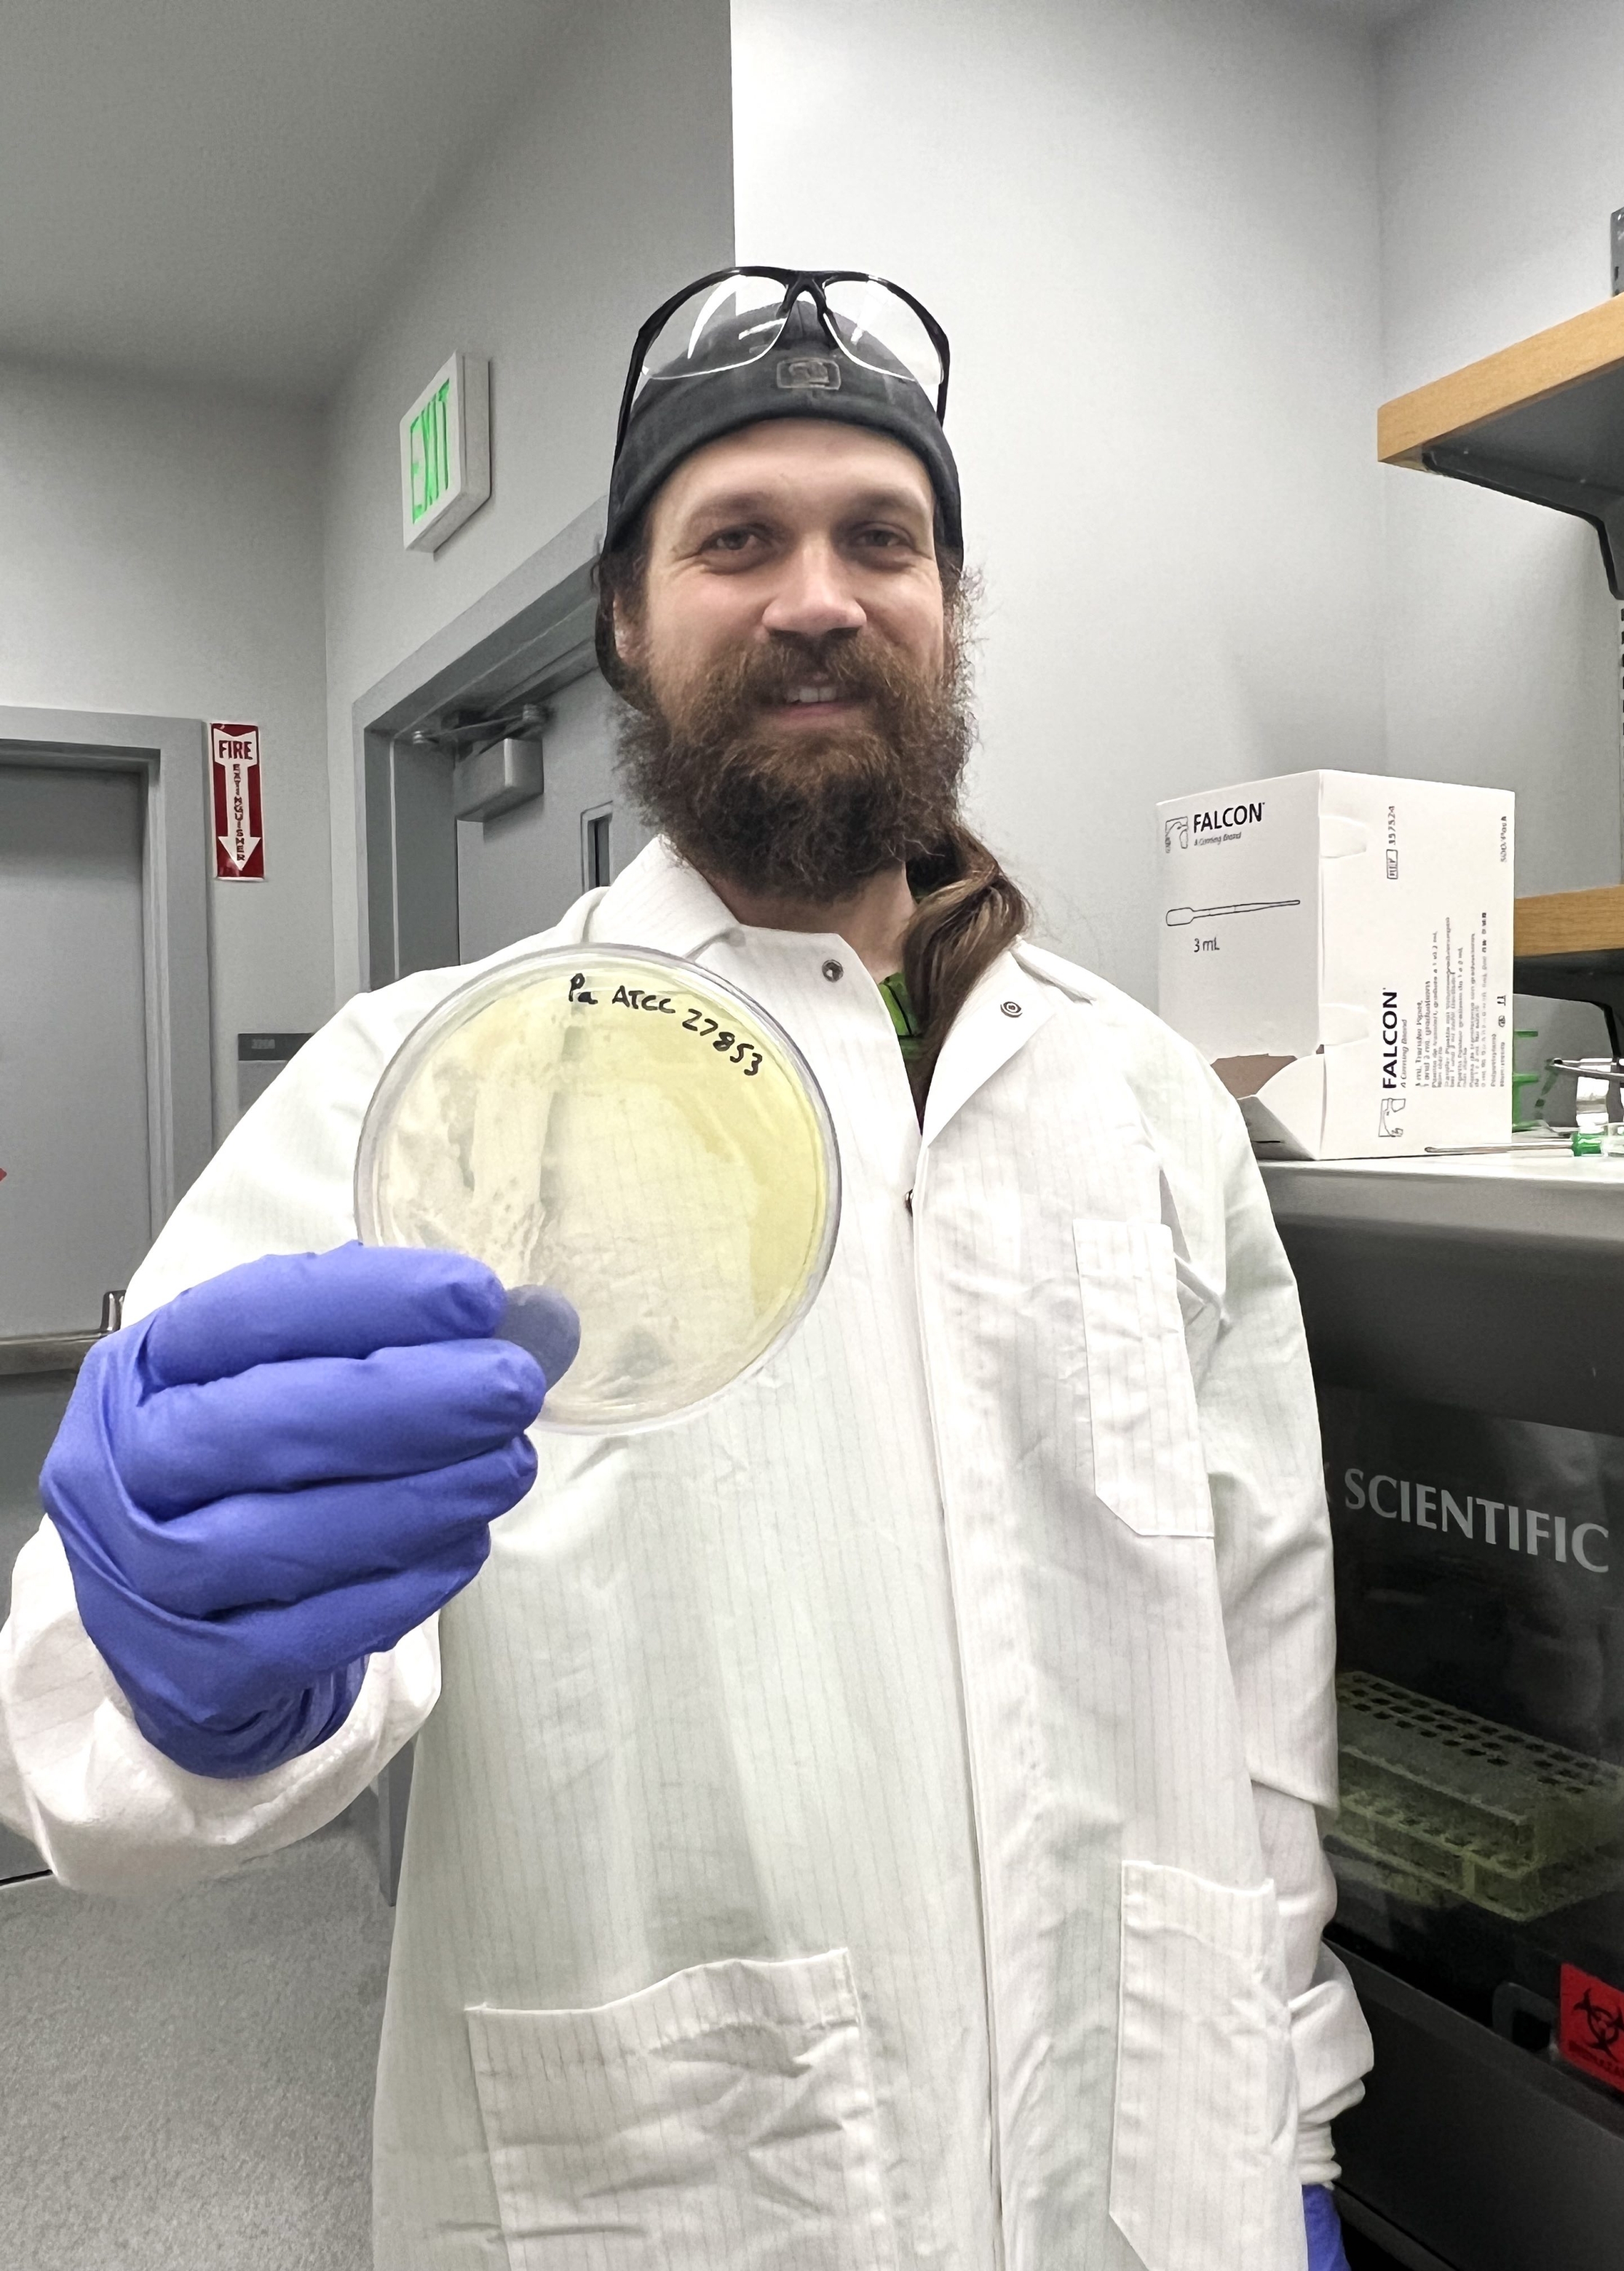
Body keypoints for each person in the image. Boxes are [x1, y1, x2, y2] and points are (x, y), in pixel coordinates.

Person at [0, 269, 1370, 2269]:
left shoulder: (1139, 1098)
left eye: (878, 538)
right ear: (626, 626)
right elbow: (87, 1765)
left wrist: (1296, 2118)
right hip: (682, 2190)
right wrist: (186, 1666)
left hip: (1152, 2170)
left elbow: (1262, 1656)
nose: (816, 592)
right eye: (737, 538)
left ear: (946, 612)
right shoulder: (435, 1086)